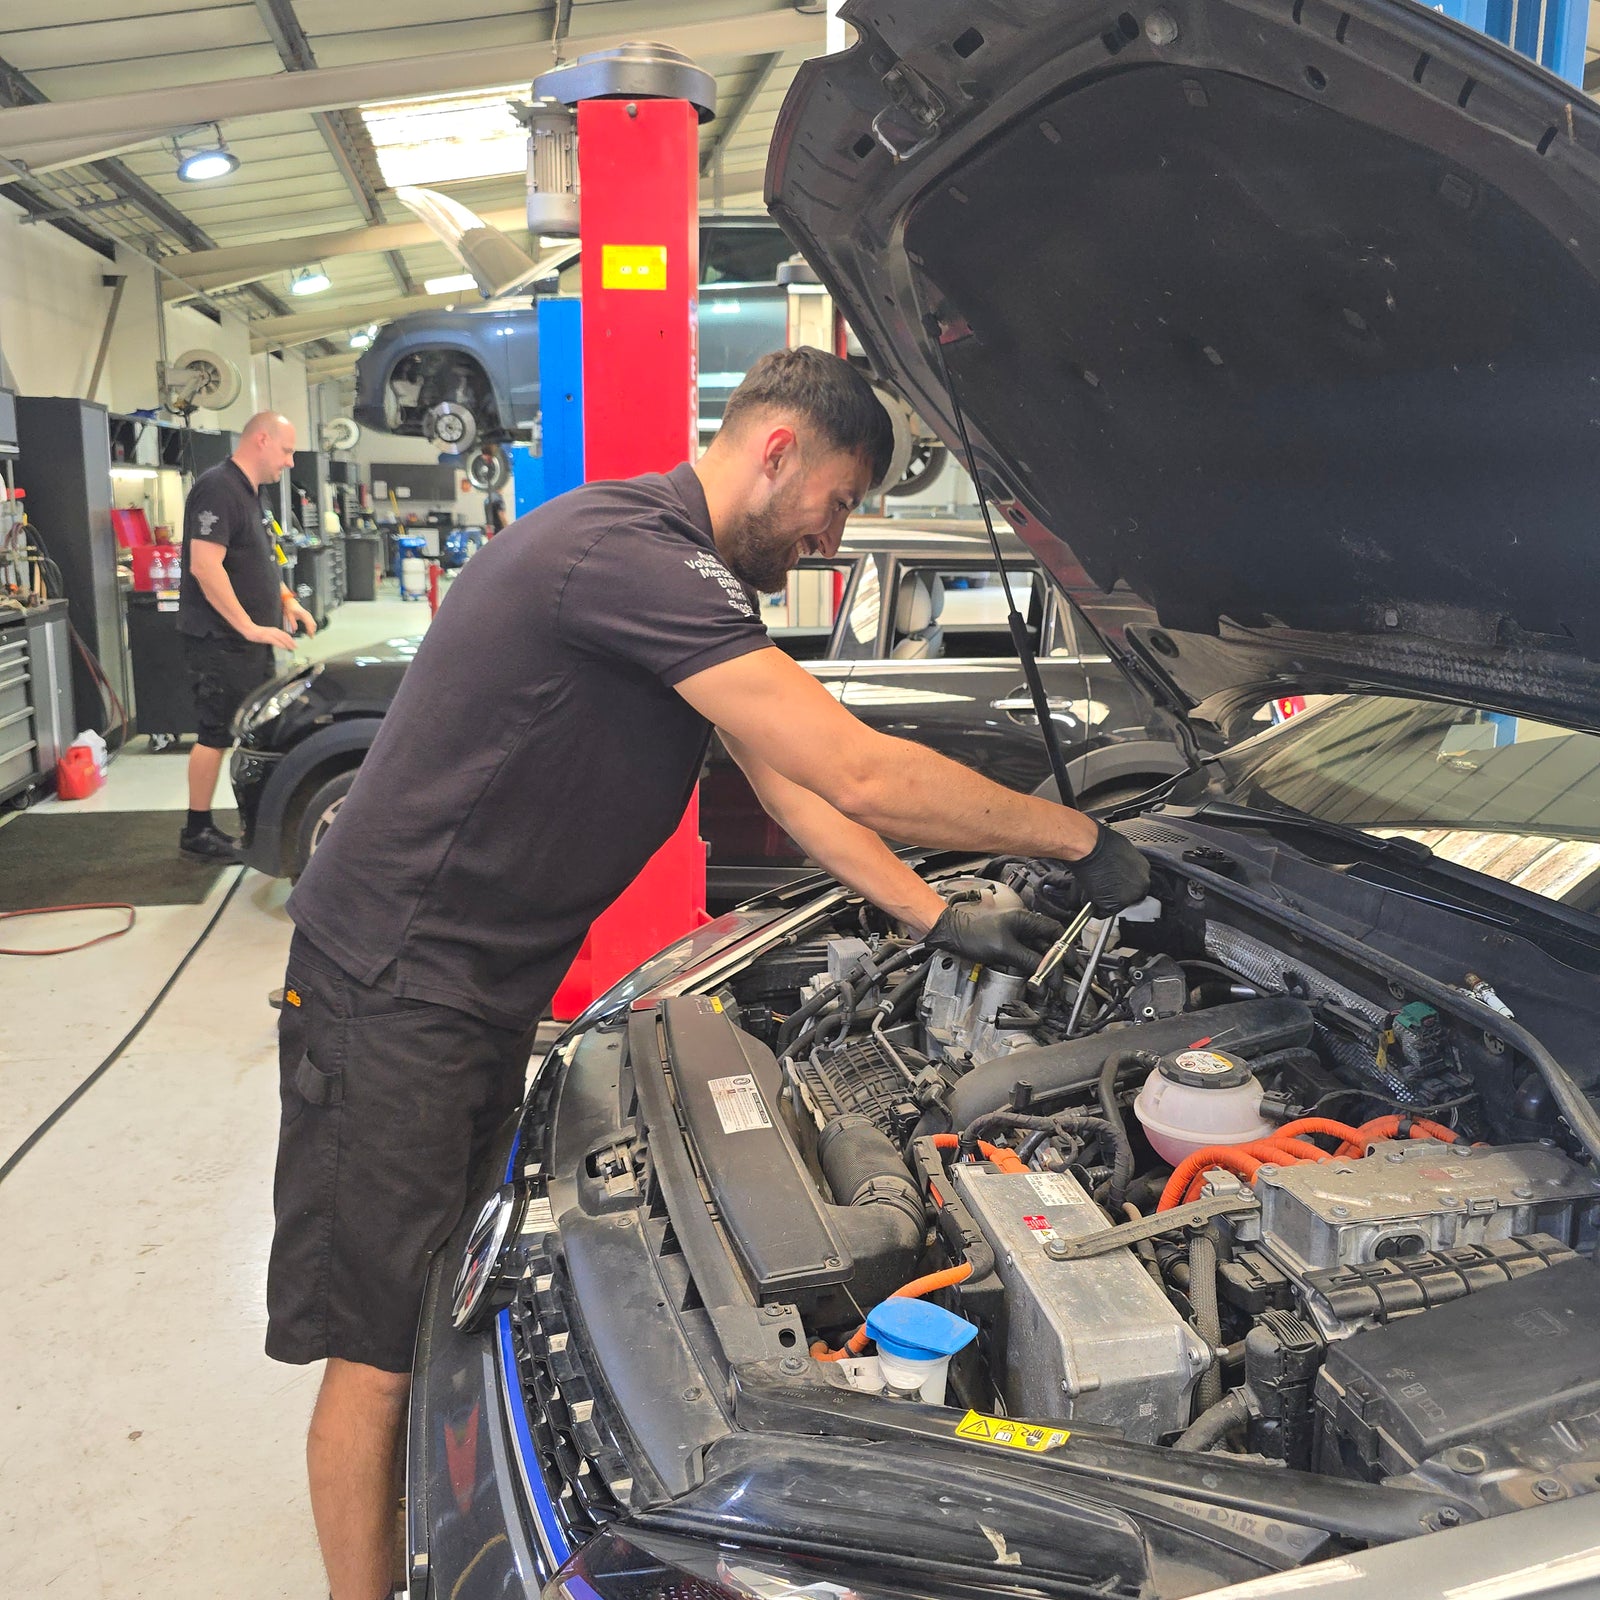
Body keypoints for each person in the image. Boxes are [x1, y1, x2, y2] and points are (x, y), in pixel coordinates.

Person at [271, 348, 1150, 1600]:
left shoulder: (676, 578)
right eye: (838, 502)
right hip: (393, 995)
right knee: (375, 1349)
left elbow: (791, 788)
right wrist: (1080, 836)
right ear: (777, 449)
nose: (833, 536)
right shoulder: (628, 553)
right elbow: (856, 768)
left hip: (460, 994)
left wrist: (932, 912)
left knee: (432, 1305)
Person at [176, 411, 316, 859]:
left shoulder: (252, 494)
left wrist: (287, 601)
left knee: (253, 730)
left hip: (253, 639)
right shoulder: (217, 487)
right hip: (221, 639)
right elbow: (205, 565)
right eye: (286, 450)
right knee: (215, 733)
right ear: (261, 440)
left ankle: (256, 821)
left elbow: (259, 562)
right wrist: (249, 626)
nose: (290, 462)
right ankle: (196, 830)